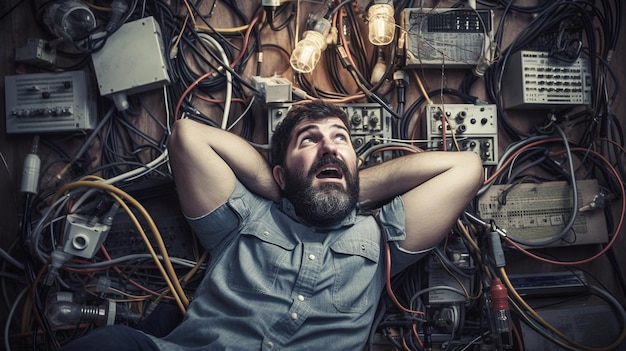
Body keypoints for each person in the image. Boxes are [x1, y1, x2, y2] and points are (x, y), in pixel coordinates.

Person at [59, 100, 483, 350]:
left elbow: (466, 168)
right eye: (309, 139)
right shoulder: (245, 219)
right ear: (280, 173)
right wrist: (285, 189)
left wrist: (349, 187)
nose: (328, 147)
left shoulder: (381, 238)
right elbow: (187, 136)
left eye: (340, 139)